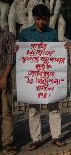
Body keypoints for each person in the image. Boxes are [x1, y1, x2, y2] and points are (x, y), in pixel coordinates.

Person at [18, 4, 66, 150]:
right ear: (34, 17)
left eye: (45, 19)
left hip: (49, 77)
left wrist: (63, 49)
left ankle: (56, 137)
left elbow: (57, 53)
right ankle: (36, 139)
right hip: (32, 78)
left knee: (54, 107)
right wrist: (17, 49)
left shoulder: (52, 33)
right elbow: (22, 55)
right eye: (40, 19)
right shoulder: (25, 34)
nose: (43, 22)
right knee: (33, 110)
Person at [0, 26, 17, 155]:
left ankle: (8, 143)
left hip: (4, 78)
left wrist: (4, 77)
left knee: (6, 112)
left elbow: (11, 59)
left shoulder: (9, 36)